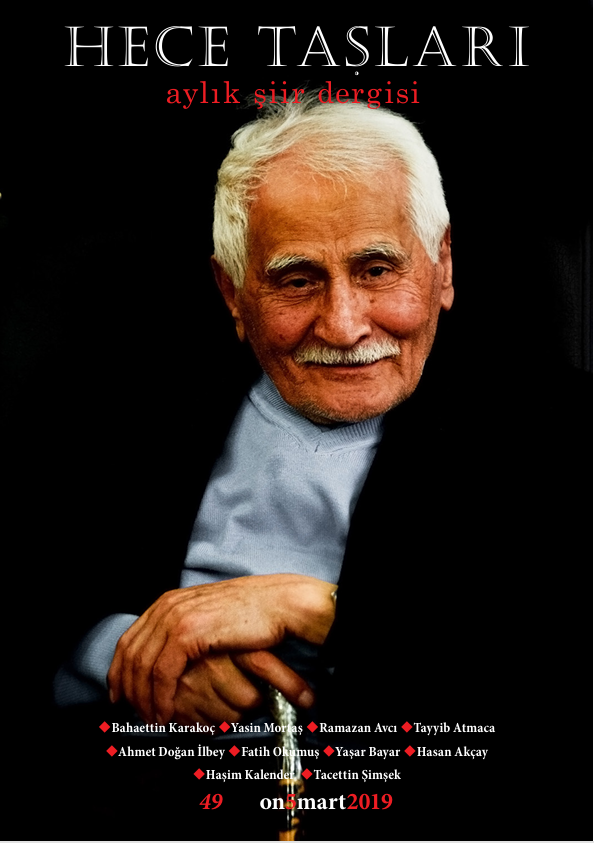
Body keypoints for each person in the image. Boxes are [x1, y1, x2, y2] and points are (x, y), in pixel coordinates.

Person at [54, 95, 453, 728]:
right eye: (297, 281)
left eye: (377, 270)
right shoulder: (130, 408)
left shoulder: (562, 424)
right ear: (233, 293)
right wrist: (131, 656)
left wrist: (317, 608)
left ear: (443, 267)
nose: (344, 326)